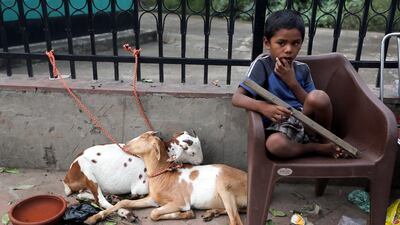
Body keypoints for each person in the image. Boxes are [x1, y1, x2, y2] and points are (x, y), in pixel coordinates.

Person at [232, 9, 345, 158]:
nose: (289, 50)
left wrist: (292, 82)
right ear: (267, 43)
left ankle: (326, 140)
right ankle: (316, 148)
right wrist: (264, 107)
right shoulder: (262, 65)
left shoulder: (303, 69)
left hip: (306, 122)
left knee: (319, 97)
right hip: (280, 127)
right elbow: (237, 98)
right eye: (281, 43)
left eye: (295, 43)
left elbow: (312, 103)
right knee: (275, 144)